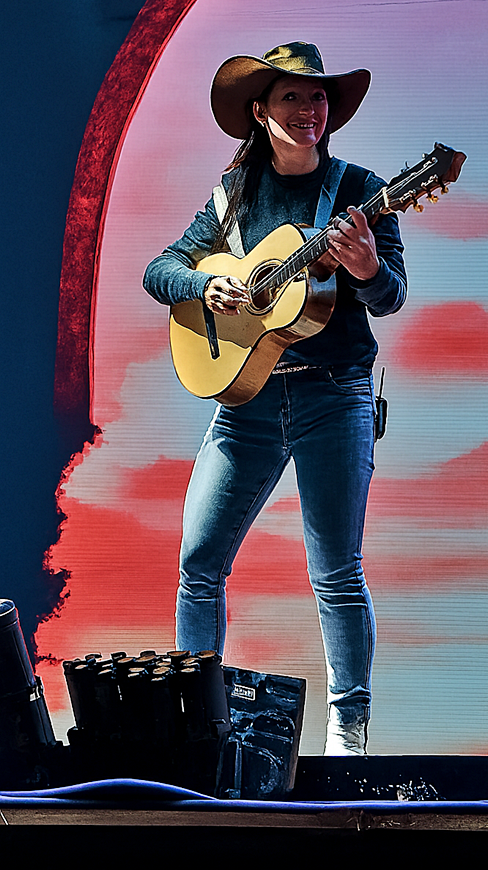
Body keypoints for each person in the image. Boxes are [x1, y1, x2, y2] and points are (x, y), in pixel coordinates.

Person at [143, 42, 407, 755]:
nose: (309, 109)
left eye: (318, 96)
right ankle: (198, 725)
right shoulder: (233, 196)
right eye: (292, 96)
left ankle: (348, 733)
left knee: (337, 573)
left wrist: (367, 267)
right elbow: (160, 270)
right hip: (247, 401)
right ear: (260, 111)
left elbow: (390, 298)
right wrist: (206, 285)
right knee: (199, 563)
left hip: (335, 396)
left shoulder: (362, 192)